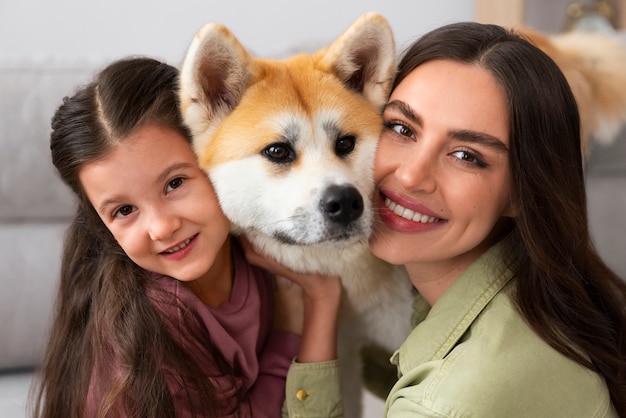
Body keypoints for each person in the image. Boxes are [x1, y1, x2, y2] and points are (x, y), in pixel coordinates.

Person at [246, 21, 626, 417]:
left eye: (466, 155)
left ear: (523, 193)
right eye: (401, 128)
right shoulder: (547, 301)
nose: (412, 175)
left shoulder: (442, 403)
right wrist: (322, 304)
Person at [30, 56, 338, 418]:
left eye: (174, 183)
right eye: (124, 211)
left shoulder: (256, 245)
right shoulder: (154, 324)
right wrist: (307, 312)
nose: (161, 227)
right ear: (102, 227)